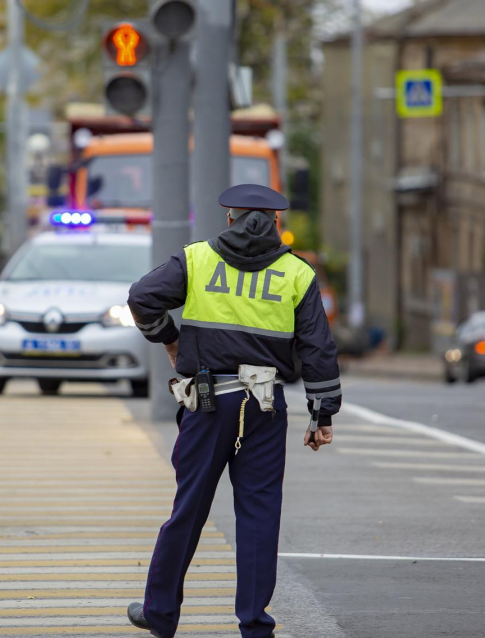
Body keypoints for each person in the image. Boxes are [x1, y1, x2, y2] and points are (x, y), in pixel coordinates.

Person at [125, 184, 342, 638]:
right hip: (264, 406)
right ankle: (255, 625)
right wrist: (321, 415)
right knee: (260, 514)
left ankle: (160, 614)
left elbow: (141, 298)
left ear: (230, 219)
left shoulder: (197, 258)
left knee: (188, 509)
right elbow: (319, 348)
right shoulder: (296, 274)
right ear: (277, 225)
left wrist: (170, 339)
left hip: (208, 402)